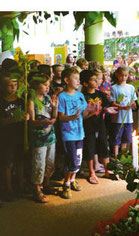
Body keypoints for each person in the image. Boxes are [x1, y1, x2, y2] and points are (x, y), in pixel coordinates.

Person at [58, 67, 93, 199]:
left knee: (78, 159)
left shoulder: (80, 95)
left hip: (79, 132)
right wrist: (72, 117)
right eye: (76, 79)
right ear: (66, 80)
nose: (78, 82)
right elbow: (60, 117)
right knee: (71, 159)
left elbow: (84, 112)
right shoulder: (62, 96)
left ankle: (72, 180)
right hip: (68, 133)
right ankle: (65, 184)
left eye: (79, 79)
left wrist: (92, 109)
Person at [80, 70, 118, 182]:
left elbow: (104, 107)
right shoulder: (82, 96)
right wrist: (92, 111)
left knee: (103, 146)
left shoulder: (100, 94)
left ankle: (107, 171)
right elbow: (82, 115)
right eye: (93, 80)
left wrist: (108, 109)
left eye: (97, 79)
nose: (96, 82)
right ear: (85, 83)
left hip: (100, 124)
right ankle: (91, 172)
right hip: (88, 125)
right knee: (90, 148)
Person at [28, 73, 58, 203]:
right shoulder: (32, 100)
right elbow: (32, 121)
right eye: (44, 85)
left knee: (50, 162)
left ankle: (46, 183)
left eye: (48, 85)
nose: (47, 87)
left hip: (50, 135)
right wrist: (44, 122)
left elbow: (54, 117)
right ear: (36, 85)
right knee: (39, 162)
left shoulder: (47, 98)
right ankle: (36, 188)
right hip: (38, 137)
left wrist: (55, 108)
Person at [0, 72, 29, 201]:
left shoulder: (21, 100)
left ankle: (21, 184)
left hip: (20, 134)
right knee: (8, 163)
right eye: (10, 85)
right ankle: (9, 188)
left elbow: (26, 115)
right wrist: (14, 119)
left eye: (15, 85)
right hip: (6, 136)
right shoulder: (1, 102)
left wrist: (26, 117)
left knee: (20, 160)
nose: (13, 88)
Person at [110, 66, 137, 158]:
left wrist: (132, 105)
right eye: (121, 75)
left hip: (128, 118)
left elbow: (133, 100)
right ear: (117, 75)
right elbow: (113, 102)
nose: (123, 78)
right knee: (116, 137)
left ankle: (123, 155)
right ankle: (116, 155)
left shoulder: (131, 87)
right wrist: (122, 107)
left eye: (125, 75)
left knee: (126, 138)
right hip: (118, 118)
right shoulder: (114, 88)